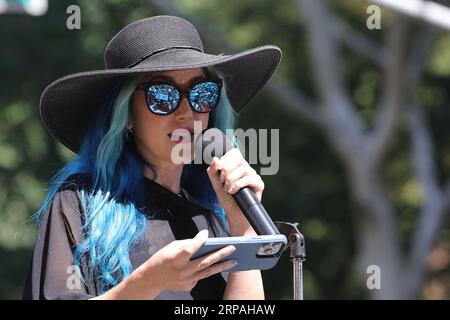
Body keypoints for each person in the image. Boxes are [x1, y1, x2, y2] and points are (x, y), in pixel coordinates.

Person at [22, 15, 281, 300]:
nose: (187, 112)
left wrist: (242, 227)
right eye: (163, 95)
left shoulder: (213, 215)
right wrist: (148, 282)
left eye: (201, 93)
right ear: (126, 116)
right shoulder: (78, 202)